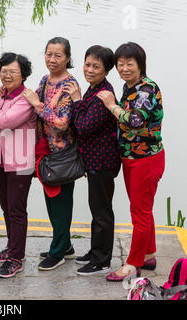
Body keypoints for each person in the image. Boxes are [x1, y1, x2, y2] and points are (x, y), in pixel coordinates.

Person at [97, 42, 165, 281]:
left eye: (129, 64)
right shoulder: (130, 86)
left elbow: (134, 121)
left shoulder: (146, 89)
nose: (124, 68)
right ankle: (148, 254)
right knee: (143, 209)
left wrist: (111, 105)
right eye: (120, 64)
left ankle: (133, 264)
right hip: (132, 158)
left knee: (140, 212)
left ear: (140, 64)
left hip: (146, 158)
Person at [63, 45, 121, 276]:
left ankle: (102, 261)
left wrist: (76, 100)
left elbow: (85, 127)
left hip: (103, 162)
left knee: (101, 212)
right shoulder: (94, 88)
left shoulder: (102, 94)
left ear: (106, 70)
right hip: (95, 161)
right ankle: (96, 251)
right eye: (87, 64)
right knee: (97, 209)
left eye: (96, 66)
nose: (89, 69)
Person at [22, 36, 79, 271]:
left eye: (58, 55)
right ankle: (64, 245)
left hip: (62, 155)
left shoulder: (68, 85)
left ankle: (58, 253)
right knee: (53, 201)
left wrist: (37, 105)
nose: (52, 59)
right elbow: (31, 101)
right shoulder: (45, 80)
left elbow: (62, 123)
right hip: (45, 153)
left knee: (60, 204)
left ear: (67, 58)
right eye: (48, 54)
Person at [0, 52, 36, 278]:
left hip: (20, 163)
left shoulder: (26, 98)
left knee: (16, 210)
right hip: (1, 161)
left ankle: (16, 258)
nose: (7, 75)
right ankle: (12, 247)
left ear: (23, 74)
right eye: (3, 71)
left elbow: (4, 122)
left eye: (12, 71)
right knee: (6, 206)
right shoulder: (2, 96)